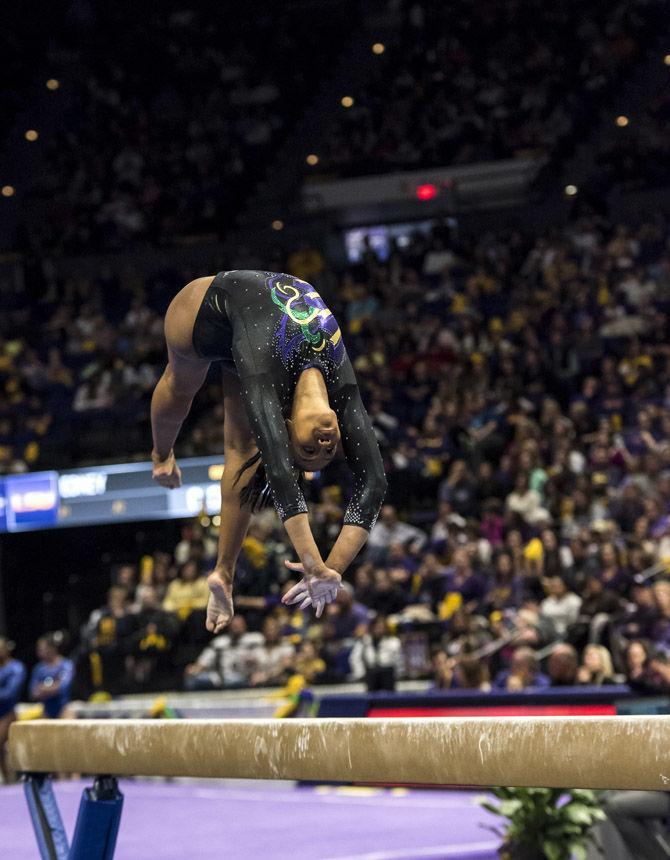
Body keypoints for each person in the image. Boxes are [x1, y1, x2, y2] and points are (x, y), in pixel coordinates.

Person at [150, 271, 386, 633]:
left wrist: (316, 566)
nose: (324, 444)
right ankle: (161, 455)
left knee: (231, 438)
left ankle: (222, 574)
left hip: (206, 320)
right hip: (222, 307)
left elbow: (279, 476)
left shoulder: (265, 382)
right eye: (328, 448)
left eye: (309, 450)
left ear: (286, 428)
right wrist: (329, 568)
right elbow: (373, 483)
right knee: (181, 385)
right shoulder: (344, 396)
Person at [29, 634, 75, 718]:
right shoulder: (39, 669)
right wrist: (54, 687)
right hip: (46, 711)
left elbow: (63, 687)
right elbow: (33, 692)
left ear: (52, 648)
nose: (39, 652)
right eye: (38, 649)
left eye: (42, 649)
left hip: (63, 709)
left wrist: (43, 688)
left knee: (68, 723)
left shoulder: (66, 665)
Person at [0, 638, 26, 783]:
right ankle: (7, 780)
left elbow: (10, 693)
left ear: (5, 650)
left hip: (8, 713)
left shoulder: (16, 667)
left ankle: (13, 779)